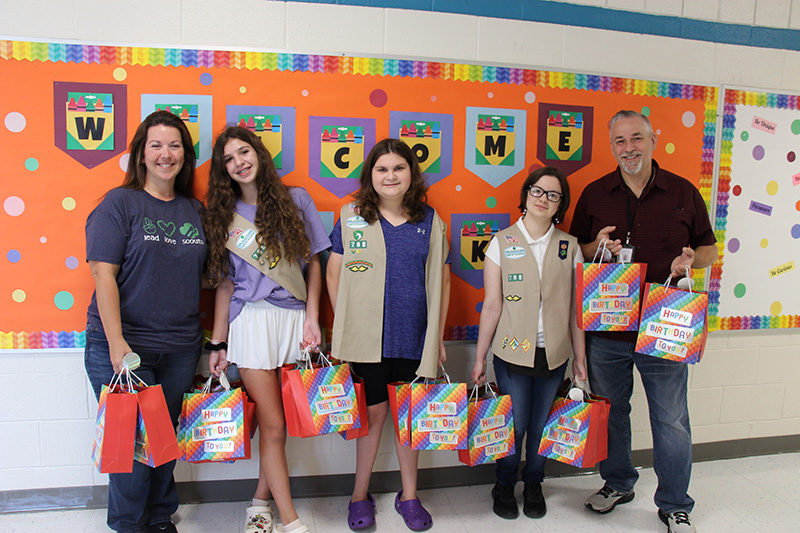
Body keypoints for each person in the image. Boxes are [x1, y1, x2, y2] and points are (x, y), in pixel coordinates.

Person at [570, 110, 718, 533]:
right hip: (608, 325)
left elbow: (708, 249)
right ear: (611, 146)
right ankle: (618, 482)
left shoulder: (683, 192)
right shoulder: (596, 194)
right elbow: (577, 248)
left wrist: (692, 259)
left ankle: (675, 503)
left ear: (654, 139)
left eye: (637, 138)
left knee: (670, 418)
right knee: (612, 411)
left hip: (664, 324)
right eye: (620, 141)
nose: (629, 148)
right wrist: (594, 244)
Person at [84, 110, 207, 533]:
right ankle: (128, 524)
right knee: (134, 451)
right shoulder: (120, 204)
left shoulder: (196, 211)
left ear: (185, 156)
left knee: (162, 443)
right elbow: (104, 275)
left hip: (178, 347)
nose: (165, 154)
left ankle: (158, 518)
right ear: (140, 154)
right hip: (121, 348)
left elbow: (215, 278)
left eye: (174, 145)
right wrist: (118, 343)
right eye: (155, 144)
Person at [203, 126, 329, 533]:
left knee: (282, 423)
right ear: (223, 170)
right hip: (251, 321)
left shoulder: (297, 200)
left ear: (259, 153)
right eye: (229, 159)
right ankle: (291, 522)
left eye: (244, 152)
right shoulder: (223, 215)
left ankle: (259, 502)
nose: (239, 162)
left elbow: (314, 263)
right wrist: (218, 340)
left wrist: (313, 317)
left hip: (293, 319)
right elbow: (224, 283)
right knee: (273, 424)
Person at [326, 138, 450, 532]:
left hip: (413, 337)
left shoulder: (429, 220)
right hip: (367, 339)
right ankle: (359, 494)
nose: (390, 175)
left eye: (399, 168)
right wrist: (344, 325)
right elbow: (334, 273)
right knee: (373, 415)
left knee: (408, 418)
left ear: (411, 174)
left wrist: (438, 338)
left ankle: (409, 495)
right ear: (371, 176)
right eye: (382, 169)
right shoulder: (352, 216)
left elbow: (441, 281)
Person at [471, 166, 587, 520]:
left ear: (560, 205)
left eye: (553, 195)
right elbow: (492, 304)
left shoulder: (570, 247)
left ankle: (534, 482)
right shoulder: (501, 243)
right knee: (516, 424)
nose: (543, 199)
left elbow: (574, 312)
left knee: (541, 426)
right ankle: (504, 483)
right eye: (538, 191)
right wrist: (480, 359)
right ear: (525, 196)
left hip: (553, 356)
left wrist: (580, 360)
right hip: (511, 354)